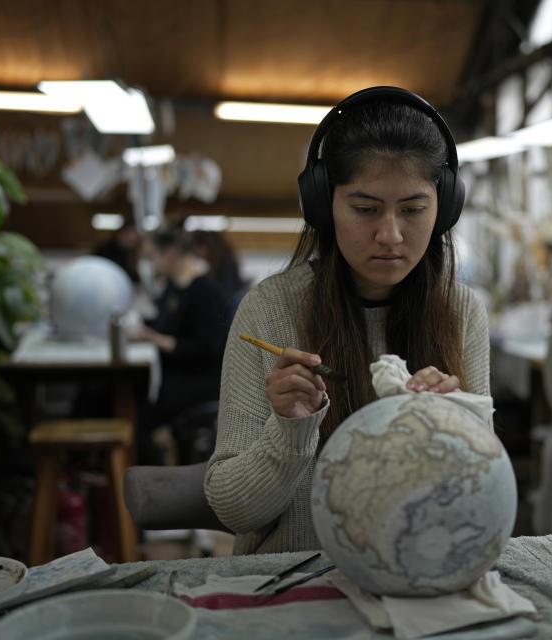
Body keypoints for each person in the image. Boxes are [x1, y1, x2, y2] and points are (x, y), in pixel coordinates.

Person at [203, 87, 490, 555]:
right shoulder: (270, 309)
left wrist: (458, 432)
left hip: (415, 582)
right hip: (292, 585)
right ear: (323, 206)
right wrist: (290, 431)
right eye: (365, 209)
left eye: (414, 210)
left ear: (445, 209)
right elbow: (234, 512)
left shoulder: (461, 313)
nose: (391, 234)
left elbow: (478, 505)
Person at [134, 226, 230, 465]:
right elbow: (163, 324)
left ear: (168, 253)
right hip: (176, 375)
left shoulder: (205, 291)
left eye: (151, 257)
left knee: (135, 424)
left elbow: (208, 347)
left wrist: (159, 341)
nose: (150, 264)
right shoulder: (173, 285)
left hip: (198, 380)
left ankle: (157, 485)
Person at [189, 230, 250, 318]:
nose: (196, 254)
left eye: (196, 250)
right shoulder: (215, 263)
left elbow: (226, 294)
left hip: (231, 308)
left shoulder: (226, 263)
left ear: (204, 247)